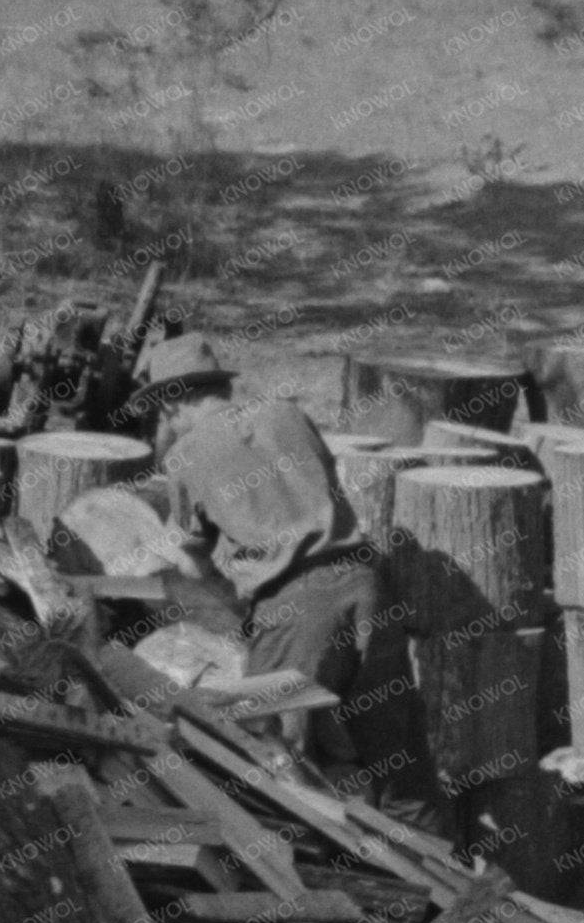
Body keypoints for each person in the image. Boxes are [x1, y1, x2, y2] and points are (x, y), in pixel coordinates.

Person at [132, 334, 409, 791]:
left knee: (272, 762)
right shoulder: (287, 414)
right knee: (394, 755)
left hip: (297, 609)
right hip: (367, 586)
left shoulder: (184, 456)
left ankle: (310, 860)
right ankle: (438, 856)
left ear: (171, 404)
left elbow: (194, 566)